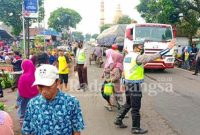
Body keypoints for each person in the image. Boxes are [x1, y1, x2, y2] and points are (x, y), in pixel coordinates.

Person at [114, 39, 175, 134]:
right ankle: (135, 128)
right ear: (135, 47)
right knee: (136, 106)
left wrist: (123, 83)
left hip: (127, 83)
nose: (142, 48)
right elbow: (153, 57)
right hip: (135, 85)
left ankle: (118, 119)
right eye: (141, 46)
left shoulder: (128, 56)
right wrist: (167, 49)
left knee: (129, 103)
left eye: (143, 46)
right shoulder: (138, 57)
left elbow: (124, 71)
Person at [21, 64, 85, 135]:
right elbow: (27, 130)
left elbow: (76, 130)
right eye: (40, 86)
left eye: (48, 86)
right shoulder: (32, 104)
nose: (44, 91)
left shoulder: (71, 102)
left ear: (57, 82)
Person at [17, 60, 39, 126]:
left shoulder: (23, 77)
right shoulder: (37, 75)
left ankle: (24, 126)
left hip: (25, 100)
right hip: (36, 99)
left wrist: (18, 102)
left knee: (24, 114)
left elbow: (20, 91)